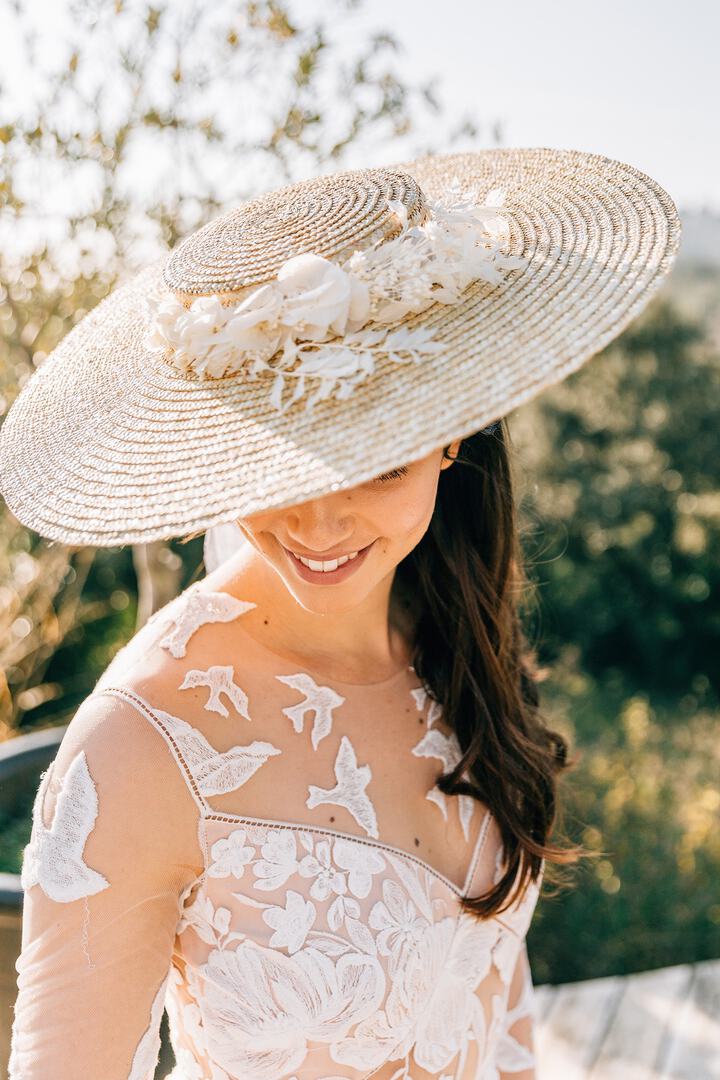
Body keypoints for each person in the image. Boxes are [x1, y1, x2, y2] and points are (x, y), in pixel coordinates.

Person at [0, 148, 681, 1079]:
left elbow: (494, 995)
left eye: (377, 459)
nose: (319, 523)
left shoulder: (455, 634)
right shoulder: (142, 746)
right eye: (278, 464)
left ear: (452, 435)